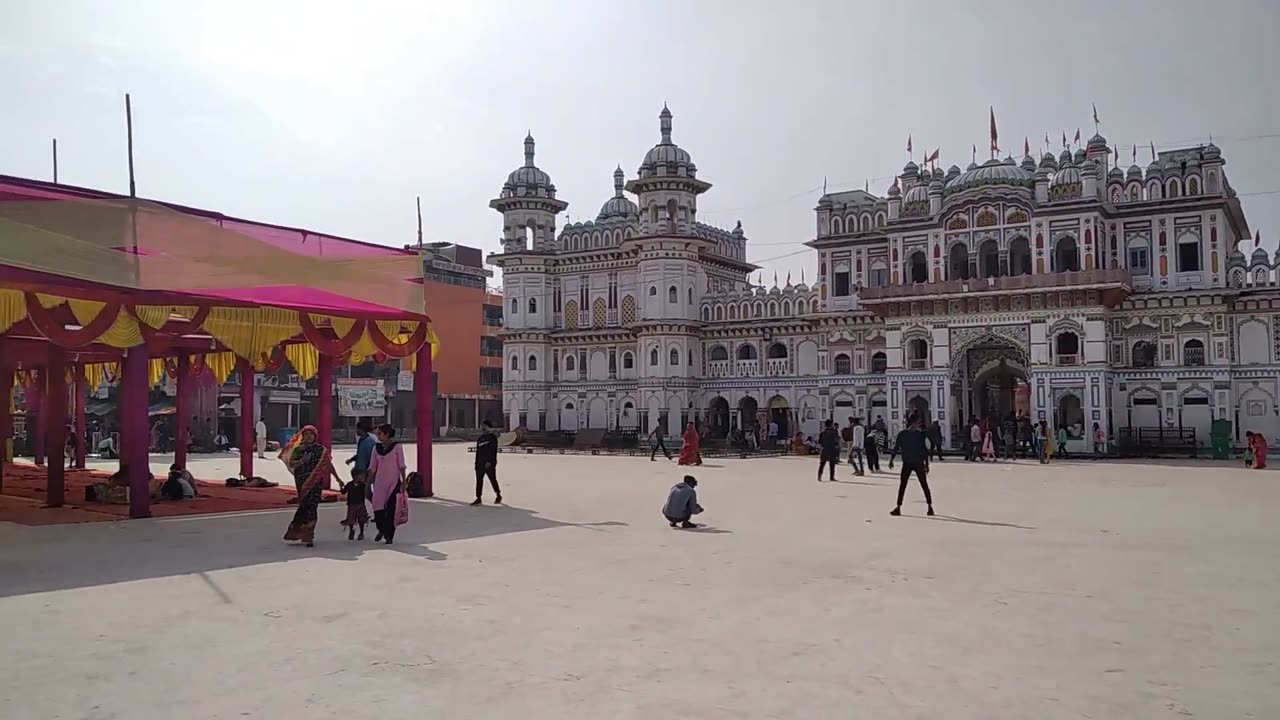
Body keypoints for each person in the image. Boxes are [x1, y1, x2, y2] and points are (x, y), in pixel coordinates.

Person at [280, 425, 341, 547]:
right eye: (306, 434)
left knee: (312, 506)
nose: (309, 436)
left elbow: (328, 464)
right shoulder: (298, 450)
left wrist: (338, 479)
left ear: (315, 436)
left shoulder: (320, 450)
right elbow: (292, 464)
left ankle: (308, 535)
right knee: (304, 506)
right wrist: (302, 461)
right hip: (302, 482)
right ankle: (298, 531)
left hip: (316, 483)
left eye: (311, 434)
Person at [887, 413, 935, 517]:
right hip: (908, 463)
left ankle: (930, 506)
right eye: (918, 422)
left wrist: (927, 464)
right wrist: (891, 460)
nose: (919, 425)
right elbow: (896, 448)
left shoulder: (919, 435)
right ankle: (898, 507)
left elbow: (924, 450)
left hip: (917, 463)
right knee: (903, 485)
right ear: (913, 423)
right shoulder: (903, 434)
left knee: (924, 484)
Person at [369, 423, 407, 543]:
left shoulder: (397, 447)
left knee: (391, 510)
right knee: (377, 508)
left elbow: (401, 465)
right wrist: (367, 483)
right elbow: (373, 467)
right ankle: (381, 529)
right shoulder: (376, 448)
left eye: (380, 433)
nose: (378, 436)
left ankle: (389, 535)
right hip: (379, 483)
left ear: (387, 434)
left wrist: (404, 481)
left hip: (393, 482)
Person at [473, 419, 502, 506]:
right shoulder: (480, 438)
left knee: (492, 479)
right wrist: (476, 463)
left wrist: (490, 462)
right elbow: (478, 452)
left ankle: (498, 494)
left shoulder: (492, 438)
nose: (483, 428)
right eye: (482, 426)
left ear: (490, 428)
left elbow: (493, 452)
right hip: (480, 463)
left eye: (485, 426)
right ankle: (478, 498)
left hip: (489, 463)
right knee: (479, 480)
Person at [337, 472, 369, 541]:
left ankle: (361, 532)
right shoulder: (349, 484)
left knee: (361, 519)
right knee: (351, 519)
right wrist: (341, 486)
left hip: (360, 504)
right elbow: (343, 492)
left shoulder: (362, 485)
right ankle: (351, 531)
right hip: (351, 504)